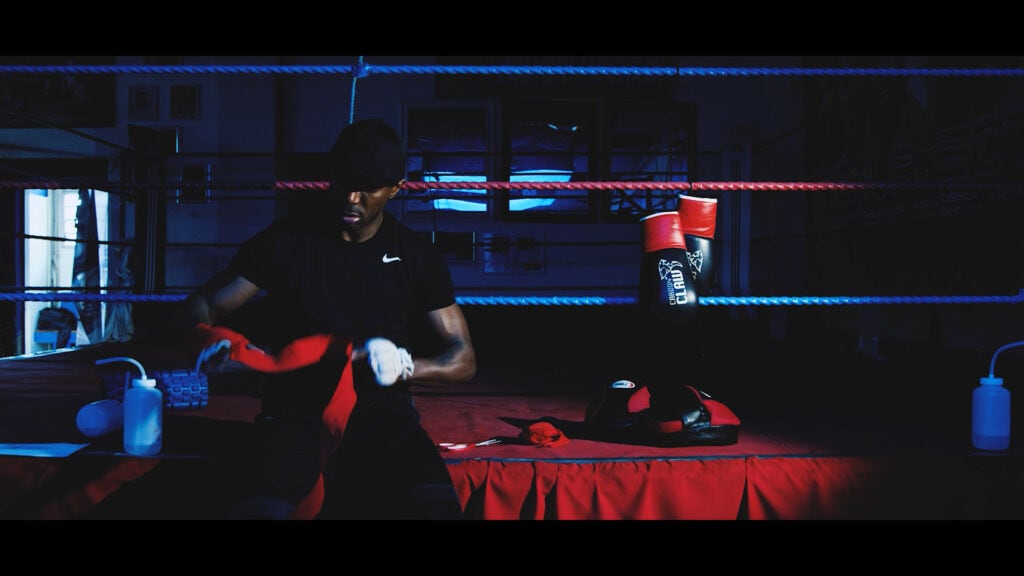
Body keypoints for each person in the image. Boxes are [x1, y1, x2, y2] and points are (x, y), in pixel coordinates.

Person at [174, 118, 476, 519]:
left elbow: (463, 359)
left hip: (382, 412)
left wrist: (405, 367)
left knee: (437, 508)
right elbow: (202, 305)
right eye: (343, 182)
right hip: (296, 411)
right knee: (257, 511)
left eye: (368, 188)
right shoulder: (285, 241)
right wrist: (210, 337)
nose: (352, 197)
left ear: (395, 189)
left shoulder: (416, 256)